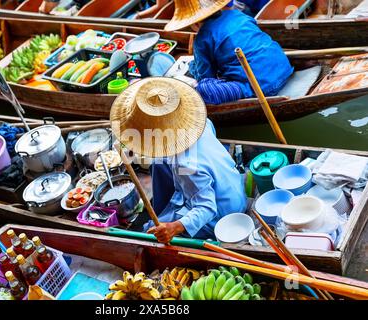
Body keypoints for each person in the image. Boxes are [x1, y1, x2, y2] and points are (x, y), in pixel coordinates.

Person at [110, 77, 247, 244]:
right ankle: (164, 209)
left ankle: (163, 217)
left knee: (150, 230)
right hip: (231, 187)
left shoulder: (185, 164)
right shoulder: (201, 123)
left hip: (224, 214)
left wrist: (174, 227)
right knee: (158, 164)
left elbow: (206, 208)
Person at [165, 0, 293, 106]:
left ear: (195, 23)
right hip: (284, 67)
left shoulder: (202, 38)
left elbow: (205, 76)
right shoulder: (238, 15)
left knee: (204, 88)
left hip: (261, 87)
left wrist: (193, 67)